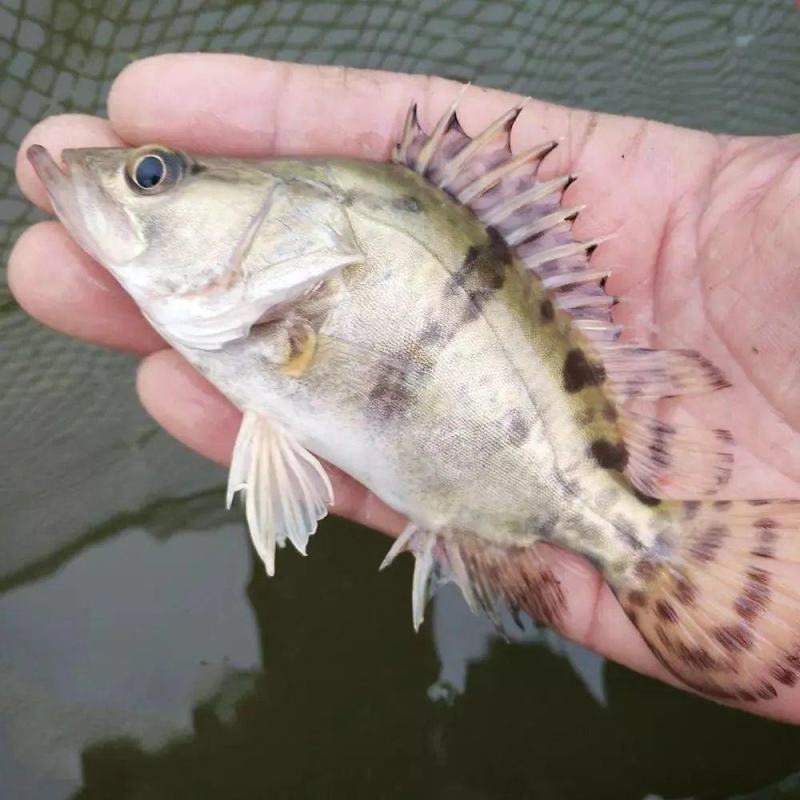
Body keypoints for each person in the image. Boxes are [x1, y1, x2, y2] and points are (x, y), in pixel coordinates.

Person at [10, 54, 800, 722]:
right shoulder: (286, 281)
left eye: (151, 177)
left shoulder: (321, 249)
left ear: (272, 218)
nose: (114, 183)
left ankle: (640, 542)